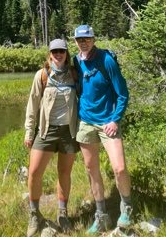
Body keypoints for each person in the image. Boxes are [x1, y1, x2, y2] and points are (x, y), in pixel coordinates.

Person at [73, 25, 132, 234]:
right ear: (75, 41)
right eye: (80, 40)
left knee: (120, 168)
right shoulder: (76, 61)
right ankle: (101, 216)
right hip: (85, 123)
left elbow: (123, 93)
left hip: (108, 121)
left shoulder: (107, 59)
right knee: (92, 170)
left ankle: (126, 209)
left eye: (87, 39)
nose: (84, 42)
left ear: (93, 38)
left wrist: (115, 120)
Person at [24, 39, 79, 236]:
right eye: (54, 51)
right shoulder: (42, 75)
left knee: (64, 173)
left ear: (66, 53)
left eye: (61, 51)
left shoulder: (74, 74)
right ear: (49, 54)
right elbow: (33, 105)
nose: (58, 54)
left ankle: (62, 214)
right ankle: (34, 214)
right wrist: (29, 132)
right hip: (46, 131)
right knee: (34, 172)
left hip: (69, 132)